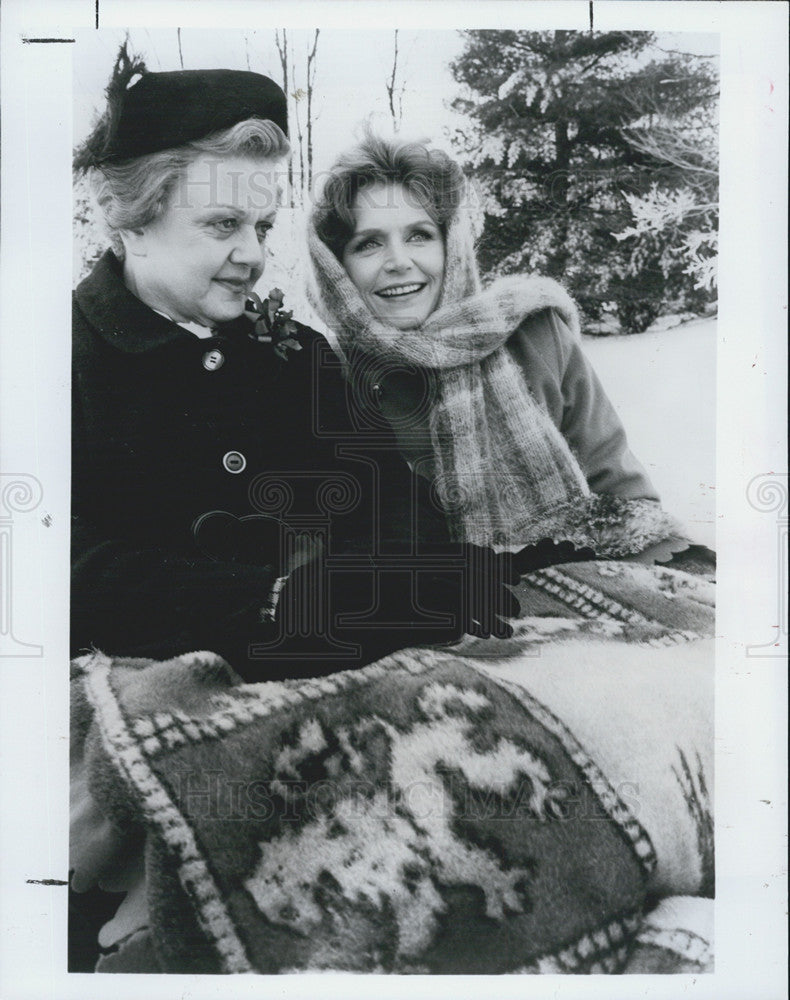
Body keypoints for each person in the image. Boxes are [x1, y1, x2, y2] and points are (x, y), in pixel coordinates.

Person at [71, 49, 532, 684]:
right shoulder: (47, 363)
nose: (252, 254)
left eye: (262, 225)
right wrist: (275, 599)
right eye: (223, 224)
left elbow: (388, 494)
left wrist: (409, 575)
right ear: (130, 218)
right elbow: (52, 566)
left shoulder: (293, 355)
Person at [307, 133, 701, 563]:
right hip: (429, 618)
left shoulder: (535, 333)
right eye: (369, 243)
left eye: (419, 235)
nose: (398, 260)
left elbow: (630, 509)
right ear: (337, 267)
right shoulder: (326, 375)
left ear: (451, 245)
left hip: (583, 594)